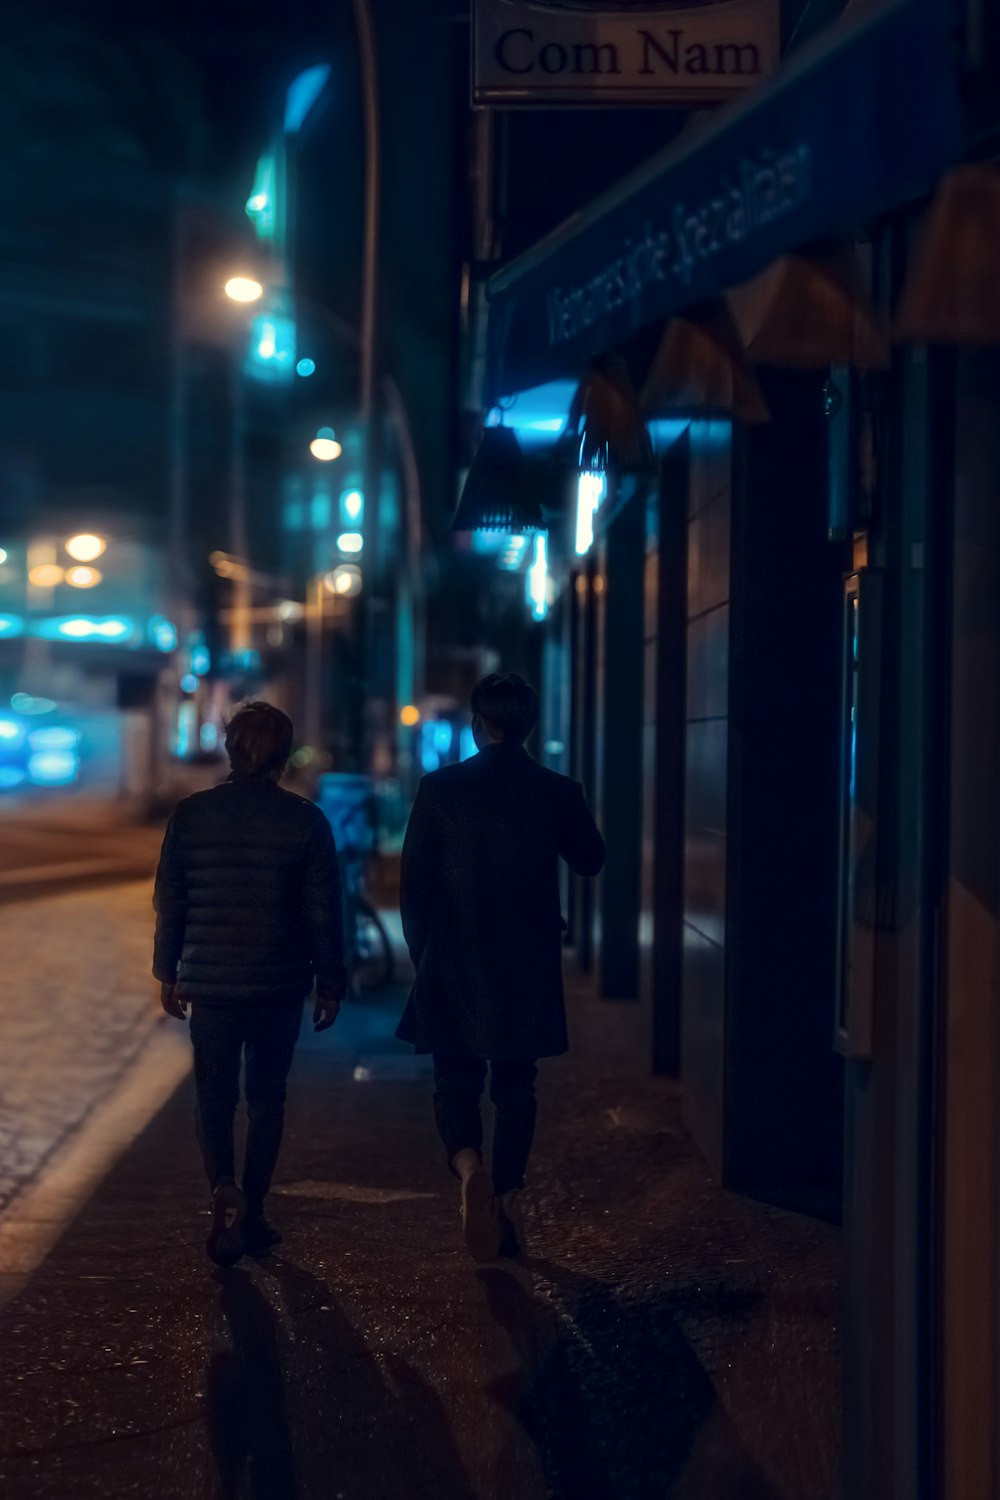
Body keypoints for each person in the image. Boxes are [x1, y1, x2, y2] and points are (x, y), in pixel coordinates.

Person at [396, 672, 606, 1263]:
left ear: (478, 723)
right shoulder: (556, 790)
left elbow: (415, 886)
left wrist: (423, 956)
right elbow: (592, 860)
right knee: (516, 1085)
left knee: (453, 1079)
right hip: (526, 959)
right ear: (529, 726)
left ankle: (468, 1167)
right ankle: (508, 1197)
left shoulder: (440, 789)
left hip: (455, 955)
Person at [153, 701, 346, 1267]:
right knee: (267, 1097)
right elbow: (323, 913)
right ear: (284, 757)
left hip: (210, 987)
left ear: (229, 750)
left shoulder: (190, 816)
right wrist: (329, 983)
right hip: (278, 985)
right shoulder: (306, 822)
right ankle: (254, 1211)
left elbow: (172, 902)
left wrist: (169, 972)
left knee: (214, 1094)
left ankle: (222, 1188)